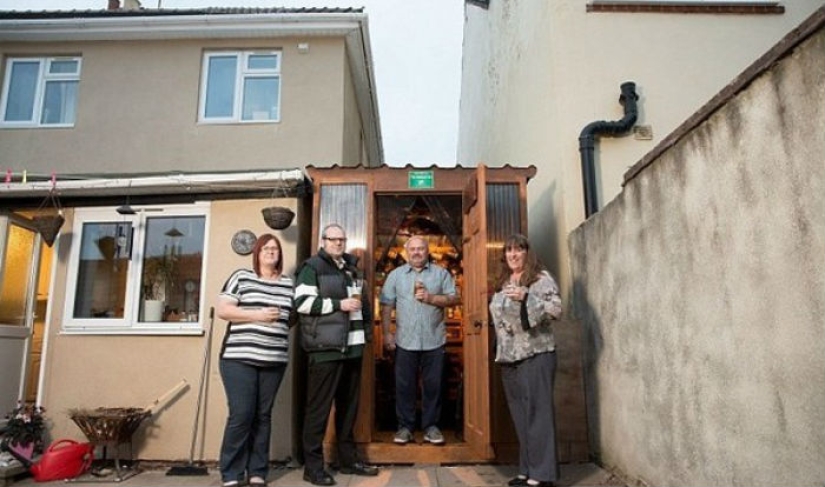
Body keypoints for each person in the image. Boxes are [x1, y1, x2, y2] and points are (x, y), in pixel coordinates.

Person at [294, 223, 378, 486]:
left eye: (342, 239)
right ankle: (313, 467)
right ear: (324, 241)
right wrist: (338, 304)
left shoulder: (352, 268)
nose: (339, 243)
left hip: (352, 348)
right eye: (334, 239)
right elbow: (303, 304)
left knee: (348, 410)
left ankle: (348, 460)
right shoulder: (312, 268)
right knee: (318, 412)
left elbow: (363, 304)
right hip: (325, 350)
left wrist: (366, 335)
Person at [215, 233, 294, 487]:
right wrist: (259, 316)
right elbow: (224, 310)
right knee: (241, 414)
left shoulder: (288, 284)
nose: (271, 252)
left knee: (263, 416)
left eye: (275, 249)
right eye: (266, 249)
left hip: (274, 359)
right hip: (239, 358)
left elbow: (291, 318)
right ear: (257, 253)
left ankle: (257, 471)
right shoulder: (242, 277)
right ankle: (231, 473)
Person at [489, 234, 563, 487]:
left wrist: (527, 297)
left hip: (536, 353)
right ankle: (528, 470)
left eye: (518, 250)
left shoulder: (540, 278)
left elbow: (556, 309)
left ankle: (543, 476)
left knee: (537, 415)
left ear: (527, 253)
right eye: (509, 250)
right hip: (510, 356)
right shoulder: (503, 281)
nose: (513, 255)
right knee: (521, 415)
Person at [380, 235, 460, 445]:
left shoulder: (441, 274)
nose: (416, 252)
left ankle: (431, 427)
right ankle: (405, 427)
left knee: (433, 386)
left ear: (427, 251)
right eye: (412, 249)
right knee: (404, 386)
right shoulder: (395, 276)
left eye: (420, 249)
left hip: (434, 339)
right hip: (405, 340)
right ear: (407, 252)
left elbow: (454, 298)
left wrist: (431, 298)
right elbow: (386, 306)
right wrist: (387, 333)